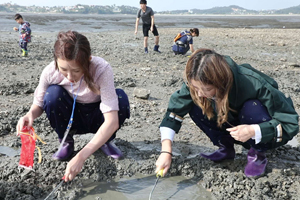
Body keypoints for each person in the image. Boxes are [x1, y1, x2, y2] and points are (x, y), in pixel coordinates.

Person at [155, 48, 299, 178]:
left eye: (205, 89)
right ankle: (225, 147)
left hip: (255, 127)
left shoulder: (253, 82)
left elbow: (290, 122)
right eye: (195, 88)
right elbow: (174, 112)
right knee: (193, 103)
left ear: (220, 82)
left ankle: (257, 153)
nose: (199, 93)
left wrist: (254, 130)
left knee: (252, 107)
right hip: (228, 125)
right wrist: (166, 151)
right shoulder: (197, 80)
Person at [16, 30, 130, 182]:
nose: (70, 77)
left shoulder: (101, 69)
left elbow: (112, 120)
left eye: (76, 70)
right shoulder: (50, 72)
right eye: (63, 69)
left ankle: (106, 141)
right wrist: (30, 114)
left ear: (88, 60)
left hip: (97, 116)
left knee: (120, 98)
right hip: (70, 117)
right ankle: (66, 141)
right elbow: (38, 104)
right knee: (52, 95)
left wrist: (81, 156)